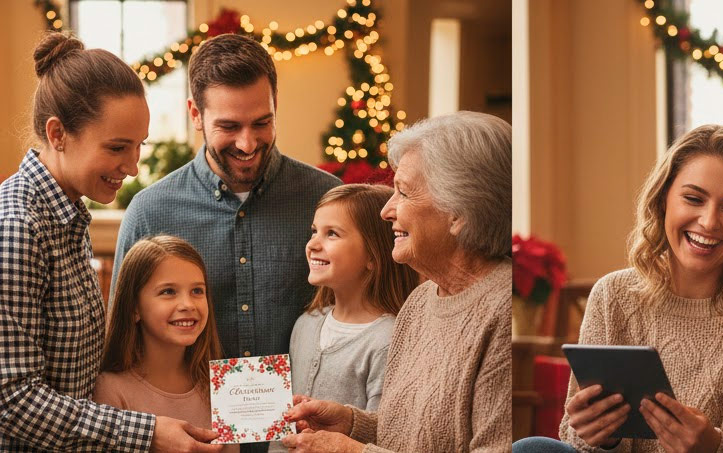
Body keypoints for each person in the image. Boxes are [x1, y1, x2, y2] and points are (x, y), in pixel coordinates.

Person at [112, 33, 340, 453]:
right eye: (229, 127)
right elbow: (122, 341)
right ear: (195, 115)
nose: (248, 144)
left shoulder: (327, 202)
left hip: (304, 443)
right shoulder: (149, 212)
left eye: (262, 122)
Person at [514, 125, 723, 452]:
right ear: (664, 199)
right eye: (693, 198)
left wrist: (713, 447)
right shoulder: (612, 296)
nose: (708, 222)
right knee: (531, 448)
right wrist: (600, 435)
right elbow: (576, 441)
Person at [0, 32, 219, 452]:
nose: (133, 167)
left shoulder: (67, 217)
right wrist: (147, 432)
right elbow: (10, 399)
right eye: (118, 147)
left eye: (138, 147)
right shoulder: (17, 227)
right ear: (58, 133)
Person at [278, 111, 512, 453]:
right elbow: (409, 433)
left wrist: (355, 452)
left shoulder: (501, 310)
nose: (387, 210)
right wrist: (352, 422)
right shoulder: (419, 302)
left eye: (402, 192)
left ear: (459, 213)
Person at [266, 185, 418, 453]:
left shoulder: (389, 339)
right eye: (314, 231)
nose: (313, 244)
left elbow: (388, 435)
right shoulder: (306, 324)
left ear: (373, 255)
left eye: (332, 234)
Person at [94, 236, 239, 453]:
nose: (188, 304)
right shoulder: (110, 391)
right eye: (168, 292)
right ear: (134, 307)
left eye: (197, 291)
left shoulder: (222, 386)